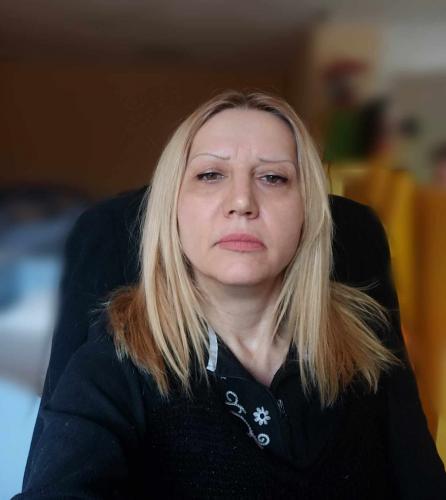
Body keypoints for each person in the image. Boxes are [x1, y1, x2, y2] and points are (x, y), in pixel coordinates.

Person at [17, 91, 446, 499]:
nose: (242, 201)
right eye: (210, 175)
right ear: (173, 210)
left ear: (307, 210)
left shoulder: (367, 342)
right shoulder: (114, 361)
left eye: (273, 177)